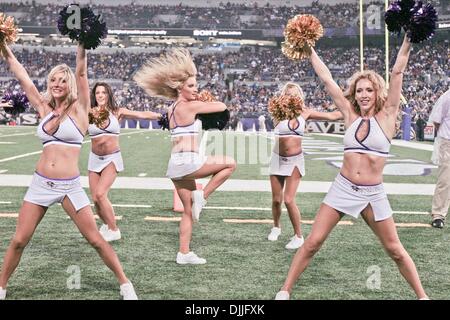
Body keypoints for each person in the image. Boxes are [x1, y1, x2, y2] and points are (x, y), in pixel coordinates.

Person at [275, 35, 428, 300]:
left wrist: (407, 39)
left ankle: (423, 297)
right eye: (359, 90)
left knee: (395, 250)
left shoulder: (389, 114)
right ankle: (284, 291)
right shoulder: (349, 114)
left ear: (377, 92)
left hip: (373, 193)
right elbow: (327, 79)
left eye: (369, 90)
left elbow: (398, 69)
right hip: (343, 188)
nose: (364, 94)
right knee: (312, 243)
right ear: (354, 94)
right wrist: (309, 49)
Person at [0, 42, 137, 300]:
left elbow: (82, 72)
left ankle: (125, 284)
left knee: (95, 239)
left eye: (63, 80)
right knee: (19, 240)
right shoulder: (43, 108)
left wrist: (82, 42)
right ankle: (1, 288)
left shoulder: (81, 109)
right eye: (53, 79)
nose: (57, 84)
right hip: (40, 184)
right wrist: (4, 46)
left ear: (69, 84)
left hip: (69, 187)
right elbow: (22, 75)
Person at [134, 48, 236, 265]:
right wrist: (202, 100)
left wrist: (198, 100)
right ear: (180, 88)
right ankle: (204, 195)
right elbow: (222, 106)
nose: (195, 89)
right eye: (191, 86)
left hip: (175, 166)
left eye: (195, 85)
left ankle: (184, 253)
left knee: (188, 211)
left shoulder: (171, 109)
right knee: (230, 163)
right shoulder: (189, 106)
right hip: (188, 162)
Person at [268, 82, 342, 249]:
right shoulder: (278, 113)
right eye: (288, 93)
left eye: (295, 94)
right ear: (283, 96)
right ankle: (276, 227)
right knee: (276, 200)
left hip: (295, 160)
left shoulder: (306, 112)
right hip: (278, 159)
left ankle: (298, 236)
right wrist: (284, 107)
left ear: (300, 96)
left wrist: (353, 108)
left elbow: (332, 116)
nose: (291, 96)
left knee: (288, 199)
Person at [88, 82, 162, 241]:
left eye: (104, 92)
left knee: (101, 194)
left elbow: (142, 114)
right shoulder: (89, 112)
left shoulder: (117, 112)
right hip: (94, 160)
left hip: (111, 158)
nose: (100, 95)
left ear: (108, 95)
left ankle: (114, 230)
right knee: (95, 199)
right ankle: (107, 225)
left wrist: (161, 116)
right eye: (98, 93)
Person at [429, 89, 450, 228]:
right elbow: (436, 121)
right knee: (445, 179)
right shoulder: (447, 96)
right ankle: (438, 214)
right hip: (447, 141)